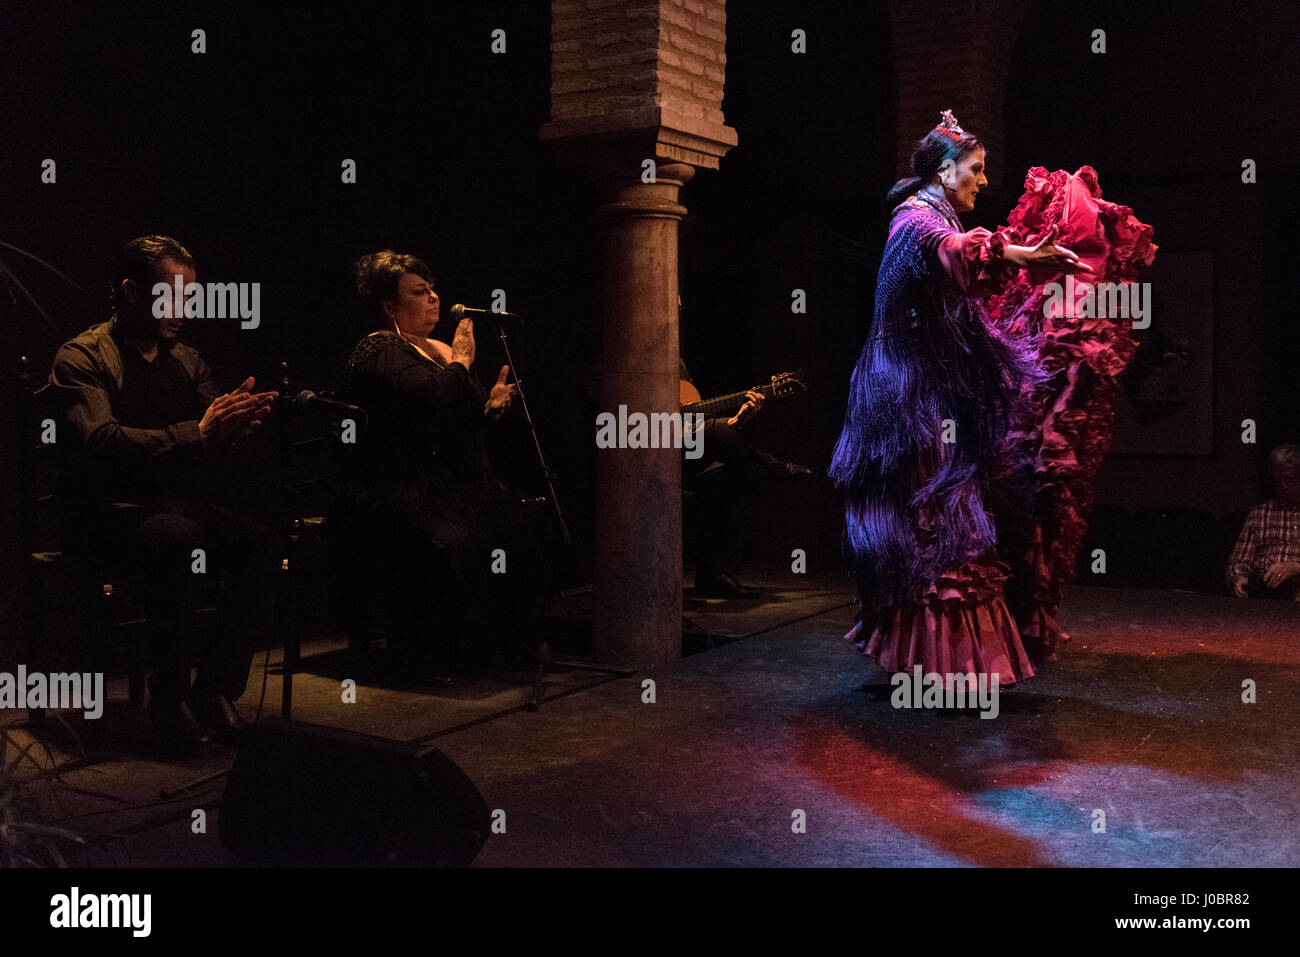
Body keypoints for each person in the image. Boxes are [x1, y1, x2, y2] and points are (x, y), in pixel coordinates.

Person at [829, 111, 1093, 688]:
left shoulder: (929, 213)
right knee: (940, 515)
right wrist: (1019, 256)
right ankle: (946, 664)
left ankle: (937, 661)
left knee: (943, 510)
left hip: (921, 388)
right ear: (946, 171)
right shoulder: (917, 221)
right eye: (975, 170)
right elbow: (950, 250)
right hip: (910, 398)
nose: (982, 181)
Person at [48, 235, 278, 756]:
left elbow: (210, 423)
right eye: (172, 296)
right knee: (178, 538)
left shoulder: (186, 359)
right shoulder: (81, 356)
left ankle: (212, 688)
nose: (184, 311)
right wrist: (199, 431)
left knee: (259, 541)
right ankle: (166, 699)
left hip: (167, 509)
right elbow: (100, 441)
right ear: (131, 292)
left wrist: (239, 423)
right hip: (104, 515)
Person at [331, 250, 543, 678]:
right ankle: (440, 650)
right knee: (459, 539)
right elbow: (427, 400)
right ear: (390, 306)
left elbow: (458, 417)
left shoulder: (440, 349)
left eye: (432, 289)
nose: (433, 298)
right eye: (419, 291)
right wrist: (462, 362)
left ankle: (506, 643)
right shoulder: (378, 349)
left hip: (460, 484)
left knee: (526, 521)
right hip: (407, 487)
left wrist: (490, 407)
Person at [1228, 444, 1300, 600]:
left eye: (1289, 479)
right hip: (1265, 596)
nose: (1283, 486)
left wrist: (1296, 567)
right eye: (1278, 480)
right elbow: (1238, 562)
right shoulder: (1259, 513)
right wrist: (1238, 578)